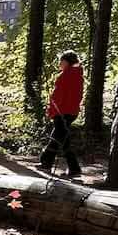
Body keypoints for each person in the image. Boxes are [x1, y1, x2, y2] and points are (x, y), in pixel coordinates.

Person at [38, 50, 83, 178]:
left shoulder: (65, 76)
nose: (60, 64)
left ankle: (71, 168)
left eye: (61, 61)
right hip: (71, 111)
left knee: (61, 139)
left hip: (62, 112)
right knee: (59, 138)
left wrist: (53, 110)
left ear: (67, 62)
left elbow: (58, 96)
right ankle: (48, 162)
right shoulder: (78, 76)